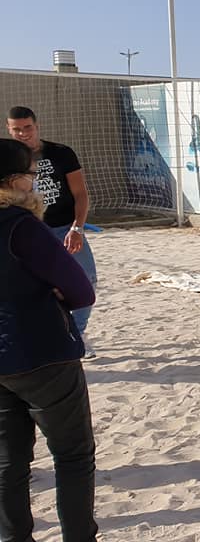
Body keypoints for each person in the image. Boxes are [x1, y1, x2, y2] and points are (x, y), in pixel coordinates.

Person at [0, 138, 98, 541]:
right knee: (73, 455)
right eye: (29, 175)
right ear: (14, 182)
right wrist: (52, 292)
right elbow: (80, 288)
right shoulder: (22, 227)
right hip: (41, 353)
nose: (33, 183)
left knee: (8, 462)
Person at [6, 107, 97, 356]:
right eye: (17, 129)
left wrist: (77, 228)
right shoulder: (7, 158)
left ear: (37, 126)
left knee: (85, 279)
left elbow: (80, 194)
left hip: (62, 229)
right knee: (30, 288)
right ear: (8, 129)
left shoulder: (61, 153)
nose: (23, 133)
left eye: (28, 128)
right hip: (24, 231)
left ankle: (76, 332)